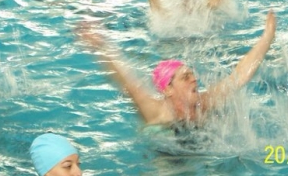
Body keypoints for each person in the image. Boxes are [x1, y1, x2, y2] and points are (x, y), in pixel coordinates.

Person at [77, 10, 276, 126]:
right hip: (168, 155)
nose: (194, 79)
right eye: (185, 77)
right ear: (168, 89)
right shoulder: (156, 111)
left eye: (191, 74)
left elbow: (238, 78)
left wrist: (267, 37)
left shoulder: (204, 103)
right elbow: (125, 79)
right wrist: (100, 46)